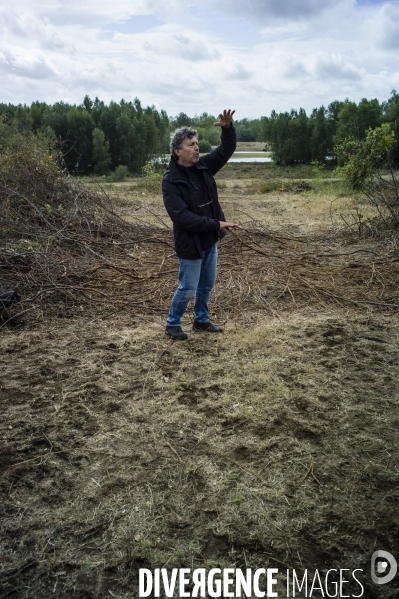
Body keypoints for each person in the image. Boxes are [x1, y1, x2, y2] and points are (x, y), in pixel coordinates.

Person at [162, 109, 239, 340]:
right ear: (178, 151)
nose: (197, 147)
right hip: (190, 243)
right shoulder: (170, 181)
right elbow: (182, 217)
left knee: (206, 284)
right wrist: (216, 223)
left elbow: (226, 150)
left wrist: (228, 129)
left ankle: (201, 320)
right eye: (191, 144)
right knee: (188, 287)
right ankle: (172, 324)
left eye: (197, 143)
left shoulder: (203, 166)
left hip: (209, 239)